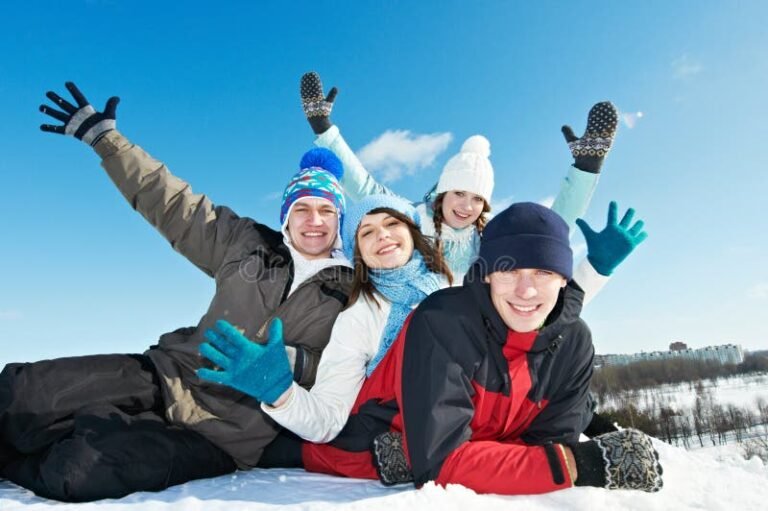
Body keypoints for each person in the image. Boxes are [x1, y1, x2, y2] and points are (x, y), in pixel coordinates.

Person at [0, 82, 354, 502]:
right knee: (22, 393)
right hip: (168, 374)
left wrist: (294, 364)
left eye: (326, 210)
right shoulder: (246, 243)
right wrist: (105, 140)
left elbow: (352, 368)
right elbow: (173, 203)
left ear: (340, 219)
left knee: (76, 472)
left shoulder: (351, 292)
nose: (314, 220)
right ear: (286, 215)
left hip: (224, 434)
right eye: (302, 208)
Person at [373, 201, 662, 494]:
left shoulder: (574, 342)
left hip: (465, 437)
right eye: (509, 271)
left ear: (564, 279)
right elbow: (440, 465)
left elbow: (550, 444)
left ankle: (419, 448)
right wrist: (577, 464)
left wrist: (481, 458)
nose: (526, 291)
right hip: (364, 443)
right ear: (487, 274)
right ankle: (410, 446)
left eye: (543, 272)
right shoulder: (443, 320)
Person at [299, 71, 619, 283]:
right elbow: (363, 186)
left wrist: (586, 168)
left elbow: (547, 233)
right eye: (460, 193)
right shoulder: (412, 219)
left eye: (477, 198)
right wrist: (324, 129)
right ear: (443, 193)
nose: (467, 206)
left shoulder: (488, 238)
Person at [197, 193, 452, 445]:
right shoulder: (359, 316)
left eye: (392, 223)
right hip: (400, 420)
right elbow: (328, 417)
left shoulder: (455, 290)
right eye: (367, 233)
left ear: (412, 231)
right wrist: (279, 391)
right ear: (358, 253)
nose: (382, 235)